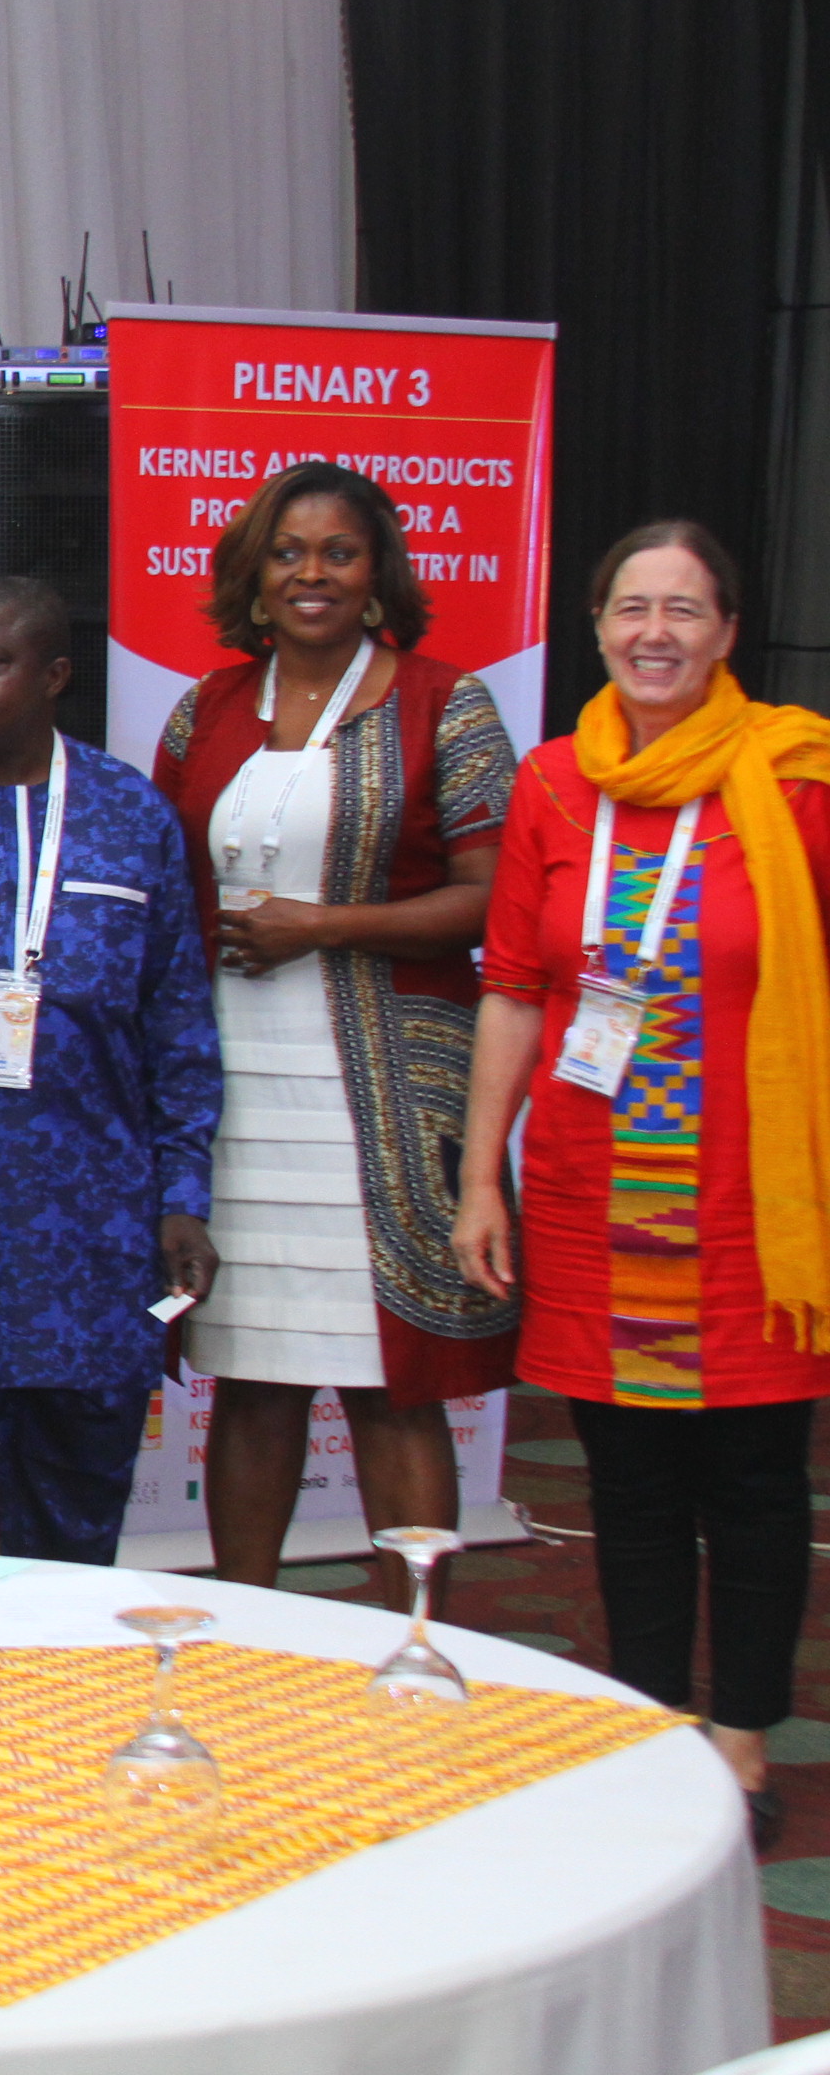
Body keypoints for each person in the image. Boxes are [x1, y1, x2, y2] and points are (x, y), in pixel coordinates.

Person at [455, 522, 830, 1839]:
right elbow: (514, 991)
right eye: (630, 608)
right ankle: (659, 1728)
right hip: (589, 1198)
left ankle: (742, 1744)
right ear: (598, 626)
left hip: (753, 1210)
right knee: (630, 1486)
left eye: (682, 609)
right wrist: (480, 1179)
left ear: (728, 631)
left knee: (756, 1486)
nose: (653, 633)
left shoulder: (797, 781)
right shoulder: (555, 785)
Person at [152, 461, 516, 1605]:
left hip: (388, 1099)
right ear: (254, 576)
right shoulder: (205, 709)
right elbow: (163, 887)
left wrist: (324, 926)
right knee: (252, 1378)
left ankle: (420, 1644)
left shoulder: (446, 703)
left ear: (377, 574)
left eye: (339, 553)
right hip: (237, 1096)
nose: (312, 573)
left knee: (390, 1387)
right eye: (289, 552)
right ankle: (250, 1636)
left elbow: (494, 898)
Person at [0, 578, 222, 1562]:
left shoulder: (130, 814)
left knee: (72, 1536)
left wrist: (183, 1196)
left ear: (55, 675)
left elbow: (179, 1025)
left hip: (90, 1233)